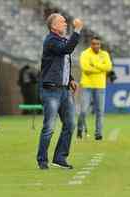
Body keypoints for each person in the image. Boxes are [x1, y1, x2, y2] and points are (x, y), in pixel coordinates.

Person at [37, 13, 83, 170]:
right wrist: (77, 31)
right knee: (49, 127)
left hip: (63, 90)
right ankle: (42, 160)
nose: (65, 24)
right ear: (53, 26)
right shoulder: (51, 41)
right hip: (51, 90)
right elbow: (66, 49)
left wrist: (70, 79)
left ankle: (59, 158)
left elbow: (62, 63)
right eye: (62, 22)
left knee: (70, 124)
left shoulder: (60, 40)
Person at [77, 36, 113, 140]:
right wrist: (101, 68)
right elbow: (85, 68)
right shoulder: (85, 54)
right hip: (87, 85)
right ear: (90, 44)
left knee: (100, 111)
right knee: (84, 110)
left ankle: (98, 134)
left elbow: (109, 67)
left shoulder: (104, 54)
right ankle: (80, 129)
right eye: (94, 44)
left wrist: (95, 65)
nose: (96, 46)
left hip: (100, 86)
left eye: (98, 44)